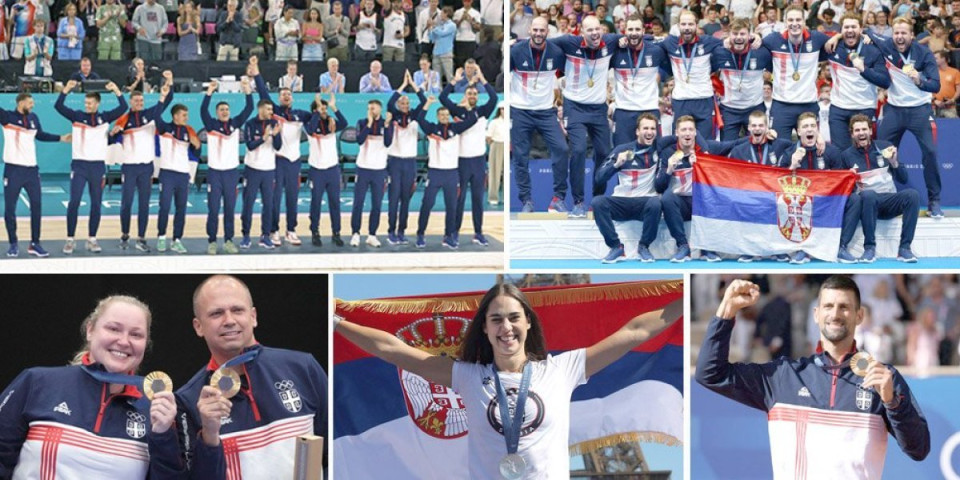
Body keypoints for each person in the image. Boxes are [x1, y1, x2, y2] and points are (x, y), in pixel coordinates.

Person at [336, 281, 680, 478]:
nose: (506, 327)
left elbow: (635, 331)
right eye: (496, 319)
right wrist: (335, 322)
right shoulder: (466, 375)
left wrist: (689, 294)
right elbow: (393, 350)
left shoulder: (561, 369)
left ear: (528, 322)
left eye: (514, 317)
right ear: (484, 328)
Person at [696, 276, 930, 479]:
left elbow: (919, 449)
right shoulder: (783, 376)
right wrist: (726, 312)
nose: (835, 314)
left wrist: (892, 402)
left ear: (859, 315)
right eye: (828, 306)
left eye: (844, 307)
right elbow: (710, 373)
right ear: (816, 314)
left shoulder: (882, 378)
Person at [0, 295, 184, 478]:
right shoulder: (37, 382)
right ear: (90, 330)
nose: (124, 341)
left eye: (136, 334)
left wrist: (162, 435)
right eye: (113, 329)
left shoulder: (155, 407)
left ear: (146, 343)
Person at [175, 275, 328, 480]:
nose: (229, 320)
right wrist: (209, 437)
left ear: (253, 316)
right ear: (198, 326)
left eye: (237, 310)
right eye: (216, 313)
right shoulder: (188, 400)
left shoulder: (303, 368)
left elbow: (337, 448)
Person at [866, 17, 944, 217]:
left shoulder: (924, 54)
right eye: (896, 33)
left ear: (912, 36)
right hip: (894, 109)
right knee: (881, 153)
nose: (899, 37)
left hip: (920, 110)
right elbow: (866, 30)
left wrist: (920, 80)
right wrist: (858, 37)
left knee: (930, 153)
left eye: (903, 33)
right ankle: (882, 198)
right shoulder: (887, 46)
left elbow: (935, 85)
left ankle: (934, 201)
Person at [549, 15, 620, 214]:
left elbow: (636, 36)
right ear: (581, 32)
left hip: (598, 109)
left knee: (605, 154)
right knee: (579, 150)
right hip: (575, 107)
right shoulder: (568, 42)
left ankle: (597, 200)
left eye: (597, 29)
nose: (595, 33)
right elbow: (542, 44)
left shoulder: (611, 41)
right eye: (590, 30)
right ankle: (578, 201)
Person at [55, 79, 127, 255]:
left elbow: (123, 107)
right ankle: (70, 239)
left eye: (90, 103)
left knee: (96, 204)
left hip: (97, 167)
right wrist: (66, 89)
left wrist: (116, 90)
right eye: (85, 102)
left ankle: (92, 239)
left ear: (97, 103)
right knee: (74, 202)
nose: (87, 105)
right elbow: (59, 106)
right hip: (79, 166)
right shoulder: (77, 116)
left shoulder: (105, 118)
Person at [250, 56, 312, 247]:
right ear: (278, 98)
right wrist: (256, 70)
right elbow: (262, 93)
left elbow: (318, 118)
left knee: (293, 199)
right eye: (283, 94)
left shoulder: (300, 114)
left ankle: (291, 230)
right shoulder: (274, 111)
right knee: (275, 199)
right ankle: (273, 230)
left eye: (289, 95)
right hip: (278, 161)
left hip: (295, 162)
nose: (286, 96)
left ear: (293, 98)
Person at [841, 114, 920, 262]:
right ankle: (869, 248)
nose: (861, 133)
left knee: (913, 195)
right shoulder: (846, 156)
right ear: (852, 134)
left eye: (864, 129)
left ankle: (904, 248)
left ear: (871, 131)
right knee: (868, 195)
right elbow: (846, 191)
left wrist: (894, 162)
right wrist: (849, 180)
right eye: (857, 130)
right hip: (868, 204)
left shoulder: (885, 147)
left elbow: (903, 179)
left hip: (889, 201)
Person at [1, 93, 70, 258]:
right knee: (10, 209)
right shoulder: (6, 117)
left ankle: (35, 243)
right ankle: (13, 244)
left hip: (32, 171)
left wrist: (61, 138)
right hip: (13, 170)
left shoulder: (33, 118)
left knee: (37, 207)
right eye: (30, 102)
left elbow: (40, 135)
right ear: (21, 103)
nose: (32, 105)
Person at [111, 71, 174, 253]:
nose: (140, 103)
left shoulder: (151, 115)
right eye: (136, 101)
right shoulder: (124, 119)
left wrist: (169, 83)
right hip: (129, 167)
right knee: (127, 203)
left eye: (141, 101)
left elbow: (168, 100)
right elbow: (111, 137)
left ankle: (141, 237)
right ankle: (124, 235)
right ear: (131, 102)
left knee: (144, 204)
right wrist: (114, 133)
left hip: (146, 167)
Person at [510, 17, 567, 213]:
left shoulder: (556, 52)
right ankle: (526, 200)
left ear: (547, 33)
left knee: (561, 148)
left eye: (542, 30)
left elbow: (564, 76)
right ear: (529, 30)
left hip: (545, 111)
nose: (538, 34)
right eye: (535, 30)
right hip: (521, 110)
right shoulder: (516, 51)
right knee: (520, 156)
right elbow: (504, 76)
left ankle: (558, 197)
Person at [592, 114, 664, 264]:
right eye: (645, 128)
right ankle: (616, 247)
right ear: (637, 131)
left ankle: (644, 247)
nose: (649, 132)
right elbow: (599, 178)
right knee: (598, 202)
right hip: (621, 202)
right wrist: (616, 165)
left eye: (652, 128)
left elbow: (682, 137)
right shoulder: (622, 150)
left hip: (644, 204)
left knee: (656, 203)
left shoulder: (660, 148)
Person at [441, 68, 498, 246]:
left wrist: (482, 79)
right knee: (458, 199)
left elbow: (494, 98)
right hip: (462, 161)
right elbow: (443, 98)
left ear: (477, 96)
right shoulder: (458, 112)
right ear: (464, 95)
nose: (472, 95)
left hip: (479, 161)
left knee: (477, 199)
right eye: (469, 93)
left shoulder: (483, 111)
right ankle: (452, 232)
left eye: (474, 93)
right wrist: (454, 81)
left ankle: (478, 232)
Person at [200, 79, 254, 255]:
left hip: (231, 173)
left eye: (226, 109)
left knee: (230, 209)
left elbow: (249, 109)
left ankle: (229, 240)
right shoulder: (211, 125)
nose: (224, 111)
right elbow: (202, 111)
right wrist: (209, 93)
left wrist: (247, 91)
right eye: (221, 109)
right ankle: (212, 241)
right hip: (215, 173)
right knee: (213, 210)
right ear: (217, 113)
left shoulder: (235, 124)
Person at [822, 14, 890, 150]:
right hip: (838, 109)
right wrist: (836, 37)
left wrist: (863, 69)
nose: (850, 30)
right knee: (839, 152)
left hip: (864, 108)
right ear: (841, 30)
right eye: (846, 27)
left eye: (854, 27)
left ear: (861, 29)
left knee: (864, 151)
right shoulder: (832, 46)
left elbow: (885, 82)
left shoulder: (872, 50)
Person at [763, 5, 831, 139]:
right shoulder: (773, 40)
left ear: (804, 22)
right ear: (785, 22)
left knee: (811, 150)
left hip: (808, 105)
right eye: (791, 20)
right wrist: (755, 37)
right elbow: (755, 46)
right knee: (778, 149)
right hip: (781, 106)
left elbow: (839, 40)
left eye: (798, 20)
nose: (795, 24)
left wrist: (838, 36)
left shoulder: (816, 38)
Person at [660, 10, 724, 139]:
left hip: (704, 99)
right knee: (679, 141)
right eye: (683, 24)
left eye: (690, 24)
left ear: (696, 25)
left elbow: (730, 42)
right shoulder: (670, 43)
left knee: (705, 142)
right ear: (678, 26)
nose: (687, 28)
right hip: (681, 100)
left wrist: (755, 38)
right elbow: (647, 41)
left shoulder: (708, 41)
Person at [154, 87, 202, 255]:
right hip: (167, 173)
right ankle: (161, 237)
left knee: (181, 209)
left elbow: (196, 153)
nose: (186, 118)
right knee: (165, 207)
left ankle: (177, 240)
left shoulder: (190, 130)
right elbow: (155, 115)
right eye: (183, 115)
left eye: (187, 115)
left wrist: (197, 147)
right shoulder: (164, 128)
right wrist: (162, 97)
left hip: (183, 174)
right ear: (175, 116)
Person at [610, 18, 668, 146]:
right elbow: (603, 40)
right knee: (622, 151)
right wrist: (617, 40)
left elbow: (669, 68)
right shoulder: (616, 51)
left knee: (654, 151)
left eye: (637, 29)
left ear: (643, 31)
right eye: (630, 29)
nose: (634, 32)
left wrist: (660, 76)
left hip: (649, 109)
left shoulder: (655, 51)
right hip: (624, 110)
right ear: (625, 31)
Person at [385, 71, 427, 246]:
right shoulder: (393, 115)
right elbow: (389, 102)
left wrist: (414, 86)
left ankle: (402, 231)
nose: (404, 104)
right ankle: (391, 231)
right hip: (394, 161)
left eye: (407, 102)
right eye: (401, 102)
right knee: (393, 198)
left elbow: (424, 102)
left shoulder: (414, 117)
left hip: (410, 162)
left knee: (406, 199)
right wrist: (403, 85)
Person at [713, 18, 773, 140]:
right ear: (729, 35)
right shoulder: (720, 52)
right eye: (735, 34)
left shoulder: (761, 52)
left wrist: (758, 37)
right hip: (729, 109)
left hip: (754, 107)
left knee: (758, 147)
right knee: (727, 149)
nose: (739, 37)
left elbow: (775, 68)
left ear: (749, 35)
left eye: (742, 34)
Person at [305, 92, 348, 247]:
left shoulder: (332, 123)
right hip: (317, 170)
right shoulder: (309, 125)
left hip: (332, 170)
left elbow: (344, 123)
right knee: (315, 203)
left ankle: (336, 232)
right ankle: (315, 232)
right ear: (315, 111)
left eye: (325, 109)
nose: (324, 111)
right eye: (320, 109)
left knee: (335, 203)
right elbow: (310, 130)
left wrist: (333, 107)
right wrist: (317, 109)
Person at [351, 100, 394, 248]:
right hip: (363, 169)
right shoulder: (362, 122)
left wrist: (387, 125)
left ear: (380, 109)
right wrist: (369, 124)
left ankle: (372, 235)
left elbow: (388, 142)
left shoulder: (387, 123)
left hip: (379, 170)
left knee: (376, 205)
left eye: (374, 108)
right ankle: (355, 233)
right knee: (358, 203)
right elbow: (359, 140)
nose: (371, 110)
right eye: (369, 108)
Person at [242, 100, 283, 249]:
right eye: (268, 109)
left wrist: (276, 135)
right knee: (248, 204)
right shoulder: (250, 124)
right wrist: (264, 138)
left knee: (269, 204)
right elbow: (250, 146)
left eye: (272, 109)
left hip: (269, 170)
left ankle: (265, 236)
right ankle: (246, 235)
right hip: (252, 169)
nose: (271, 111)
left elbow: (278, 147)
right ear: (260, 109)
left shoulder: (274, 123)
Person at [486, 106, 506, 206]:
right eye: (502, 109)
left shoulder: (511, 121)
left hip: (508, 146)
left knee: (507, 173)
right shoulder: (494, 122)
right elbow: (488, 137)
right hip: (497, 144)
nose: (504, 111)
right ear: (499, 110)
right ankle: (493, 197)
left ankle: (506, 197)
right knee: (494, 172)